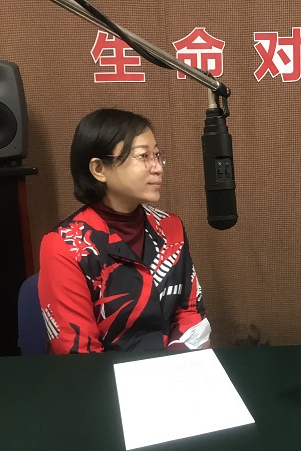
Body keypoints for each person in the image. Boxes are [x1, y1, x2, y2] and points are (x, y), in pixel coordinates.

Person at [38, 108, 210, 354]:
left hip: (175, 367)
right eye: (143, 156)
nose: (158, 168)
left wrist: (175, 364)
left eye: (157, 155)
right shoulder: (64, 246)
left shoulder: (170, 226)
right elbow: (78, 354)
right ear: (99, 169)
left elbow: (191, 311)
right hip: (103, 374)